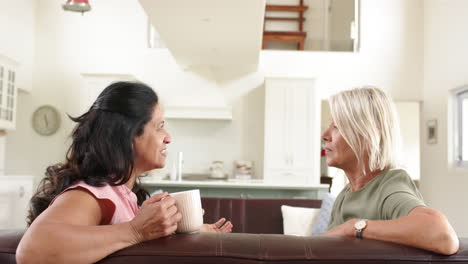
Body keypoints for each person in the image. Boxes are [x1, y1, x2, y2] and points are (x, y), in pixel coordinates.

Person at [16, 81, 233, 264]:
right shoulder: (92, 194)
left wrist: (185, 231)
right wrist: (136, 231)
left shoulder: (122, 194)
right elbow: (32, 250)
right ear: (128, 135)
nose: (168, 137)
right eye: (159, 126)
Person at [321, 86, 459, 255]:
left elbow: (442, 235)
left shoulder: (390, 185)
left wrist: (354, 227)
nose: (325, 135)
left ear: (368, 134)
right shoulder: (345, 194)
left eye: (336, 126)